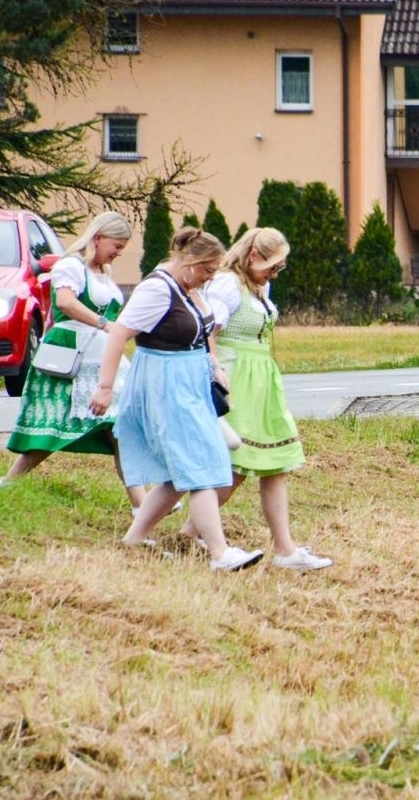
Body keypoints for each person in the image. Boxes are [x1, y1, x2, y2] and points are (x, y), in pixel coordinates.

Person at [88, 227, 262, 571]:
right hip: (166, 386)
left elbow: (200, 333)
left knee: (181, 471)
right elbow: (120, 333)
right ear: (190, 260)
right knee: (199, 468)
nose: (209, 278)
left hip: (191, 384)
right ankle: (219, 553)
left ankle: (134, 540)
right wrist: (105, 387)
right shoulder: (157, 289)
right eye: (207, 270)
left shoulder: (188, 287)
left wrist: (213, 365)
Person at [191, 227, 333, 570]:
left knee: (275, 464)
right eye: (272, 266)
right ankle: (191, 531)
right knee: (236, 466)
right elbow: (209, 331)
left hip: (261, 379)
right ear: (253, 256)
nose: (275, 273)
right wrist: (215, 369)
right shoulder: (227, 284)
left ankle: (285, 549)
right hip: (236, 377)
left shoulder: (259, 286)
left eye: (280, 267)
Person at [2, 210, 144, 506]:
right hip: (72, 356)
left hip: (102, 358)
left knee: (121, 428)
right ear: (99, 237)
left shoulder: (104, 273)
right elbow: (66, 302)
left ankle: (142, 505)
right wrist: (105, 324)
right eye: (116, 246)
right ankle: (8, 484)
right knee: (53, 430)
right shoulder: (71, 266)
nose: (118, 254)